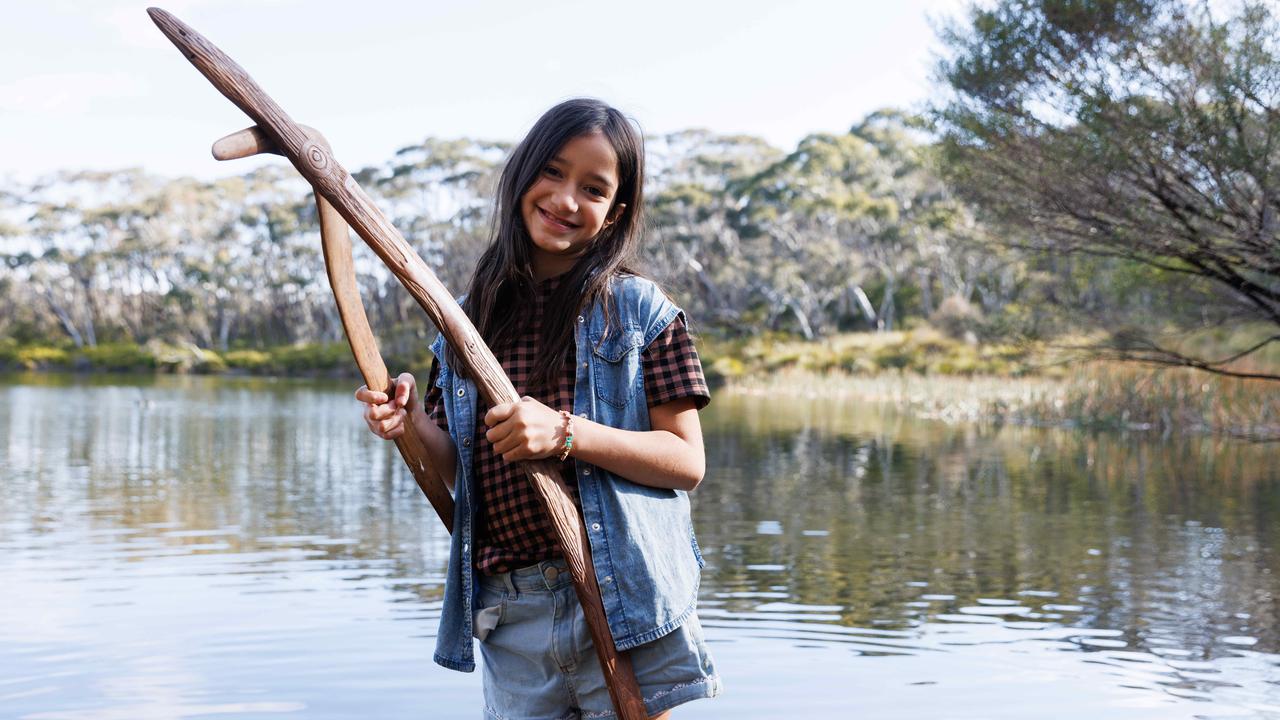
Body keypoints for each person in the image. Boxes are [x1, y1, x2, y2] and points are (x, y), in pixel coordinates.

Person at [355, 98, 720, 720]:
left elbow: (686, 461)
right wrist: (410, 423)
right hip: (512, 609)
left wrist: (565, 435)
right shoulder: (466, 322)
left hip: (622, 601)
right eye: (552, 172)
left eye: (593, 188)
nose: (565, 199)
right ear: (521, 174)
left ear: (614, 214)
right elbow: (458, 465)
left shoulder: (639, 312)